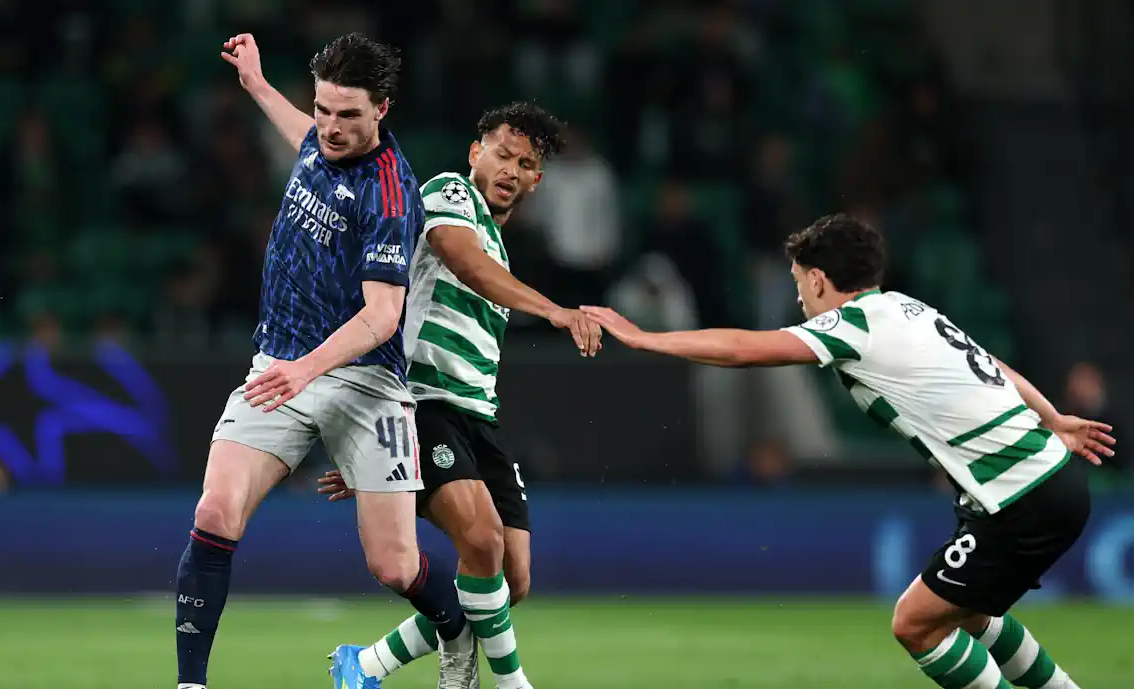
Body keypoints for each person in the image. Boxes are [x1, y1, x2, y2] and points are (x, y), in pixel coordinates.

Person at [583, 214, 1114, 689]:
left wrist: (648, 339)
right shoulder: (908, 308)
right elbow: (993, 366)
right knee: (969, 613)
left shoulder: (852, 326)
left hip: (1019, 495)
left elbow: (747, 348)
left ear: (817, 279)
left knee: (915, 624)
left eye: (799, 285)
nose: (799, 300)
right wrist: (1053, 418)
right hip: (1049, 478)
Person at [173, 33, 465, 689]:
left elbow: (382, 316)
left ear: (382, 109)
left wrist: (307, 371)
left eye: (347, 115)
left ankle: (460, 630)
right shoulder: (321, 139)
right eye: (324, 110)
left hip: (364, 384)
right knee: (214, 511)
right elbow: (302, 132)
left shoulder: (389, 194)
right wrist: (256, 86)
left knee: (393, 565)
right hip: (279, 362)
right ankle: (191, 685)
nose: (330, 128)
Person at [318, 102, 601, 689]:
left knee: (509, 579)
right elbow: (459, 258)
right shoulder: (450, 195)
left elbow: (480, 272)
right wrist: (551, 309)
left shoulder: (500, 247)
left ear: (535, 180)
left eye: (524, 163)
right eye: (501, 153)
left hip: (478, 416)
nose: (510, 169)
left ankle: (366, 665)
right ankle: (510, 684)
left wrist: (388, 465)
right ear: (476, 153)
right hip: (422, 403)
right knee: (480, 539)